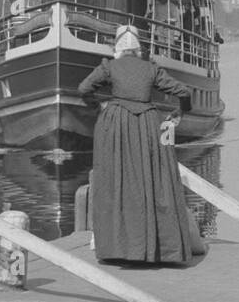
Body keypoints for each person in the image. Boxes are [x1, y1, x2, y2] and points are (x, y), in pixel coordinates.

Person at [77, 24, 207, 264]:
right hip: (147, 124)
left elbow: (84, 89)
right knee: (151, 180)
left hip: (115, 125)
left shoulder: (109, 67)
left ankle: (119, 248)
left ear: (116, 46)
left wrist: (99, 106)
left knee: (117, 180)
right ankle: (155, 248)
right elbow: (184, 92)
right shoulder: (151, 69)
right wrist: (180, 113)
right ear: (139, 48)